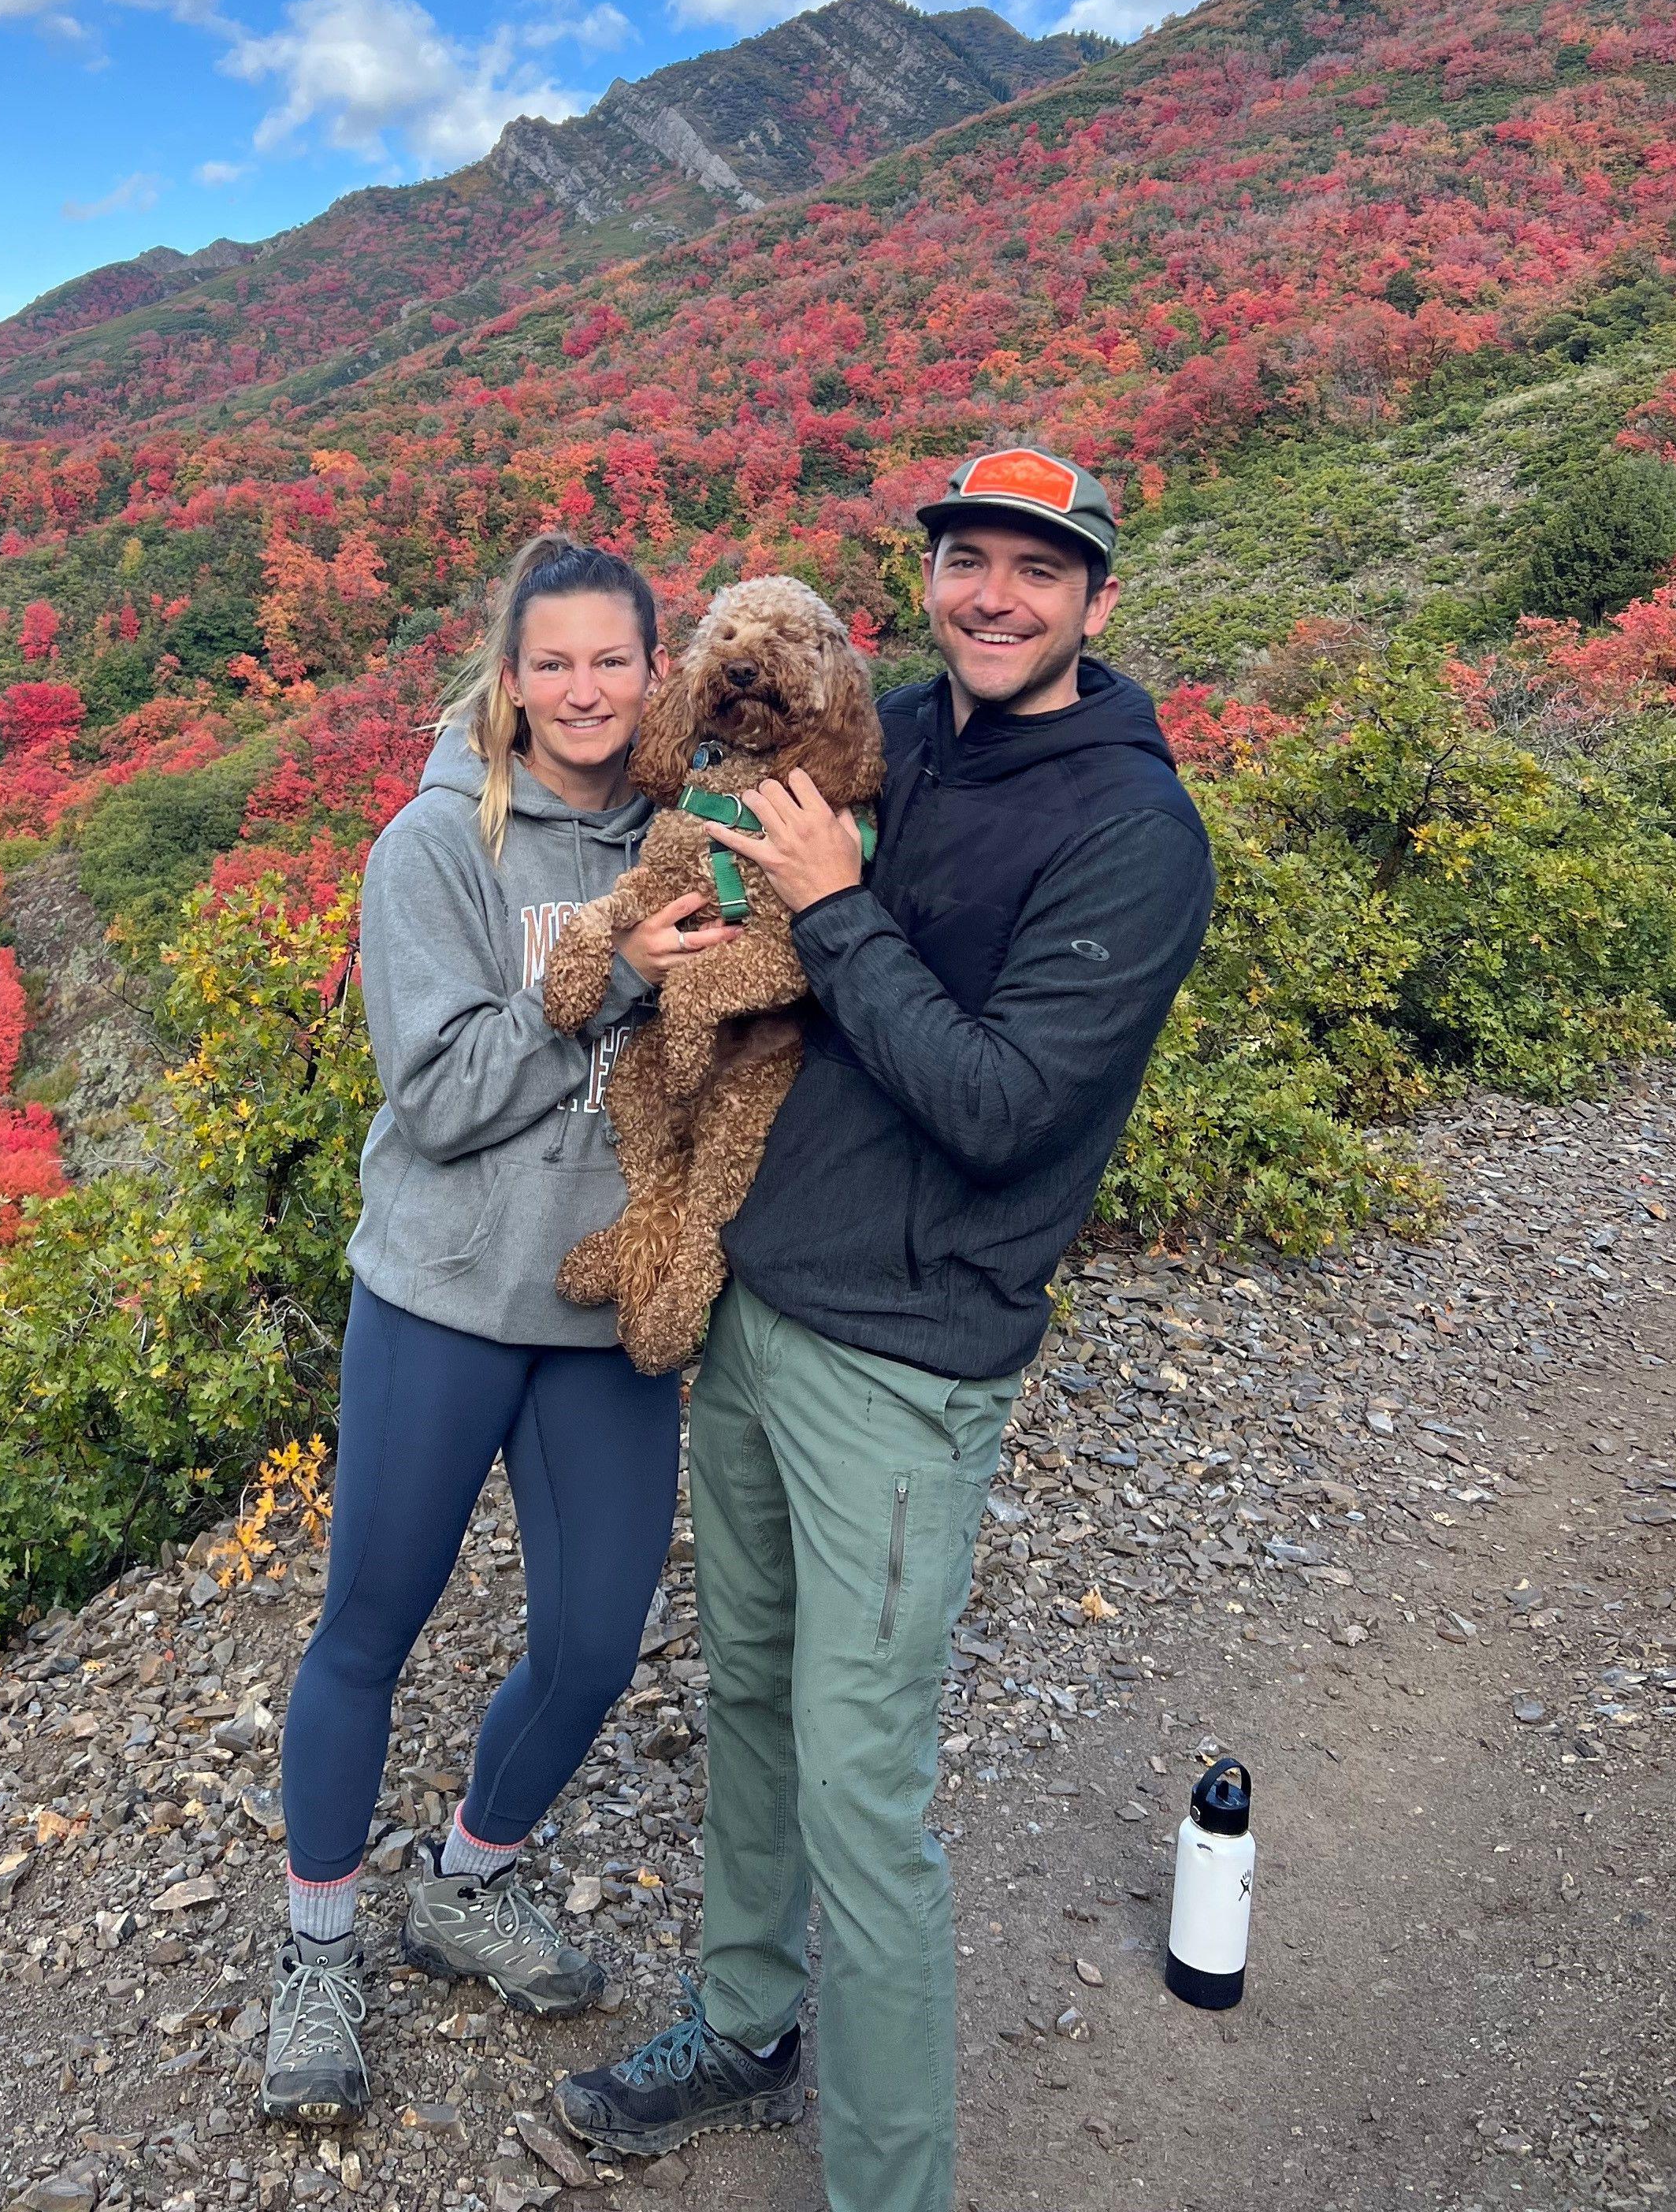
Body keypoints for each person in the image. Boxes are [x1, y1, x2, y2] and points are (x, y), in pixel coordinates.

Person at [552, 448, 1217, 2212]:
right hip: (759, 1304)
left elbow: (1004, 1107)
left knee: (863, 1789)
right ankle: (746, 2017)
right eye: (965, 562)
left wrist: (840, 912)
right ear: (926, 581)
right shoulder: (894, 732)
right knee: (752, 1705)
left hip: (906, 1361)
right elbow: (711, 793)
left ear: (1095, 600)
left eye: (1034, 569)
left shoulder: (1133, 838)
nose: (993, 595)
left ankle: (892, 2187)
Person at [262, 534, 741, 2127]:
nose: (586, 689)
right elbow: (445, 1091)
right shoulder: (438, 846)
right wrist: (608, 987)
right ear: (509, 674)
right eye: (556, 662)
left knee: (600, 1641)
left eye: (616, 660)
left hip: (601, 1304)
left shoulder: (697, 837)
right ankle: (317, 1948)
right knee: (369, 1629)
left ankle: (469, 1876)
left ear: (653, 669)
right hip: (445, 1295)